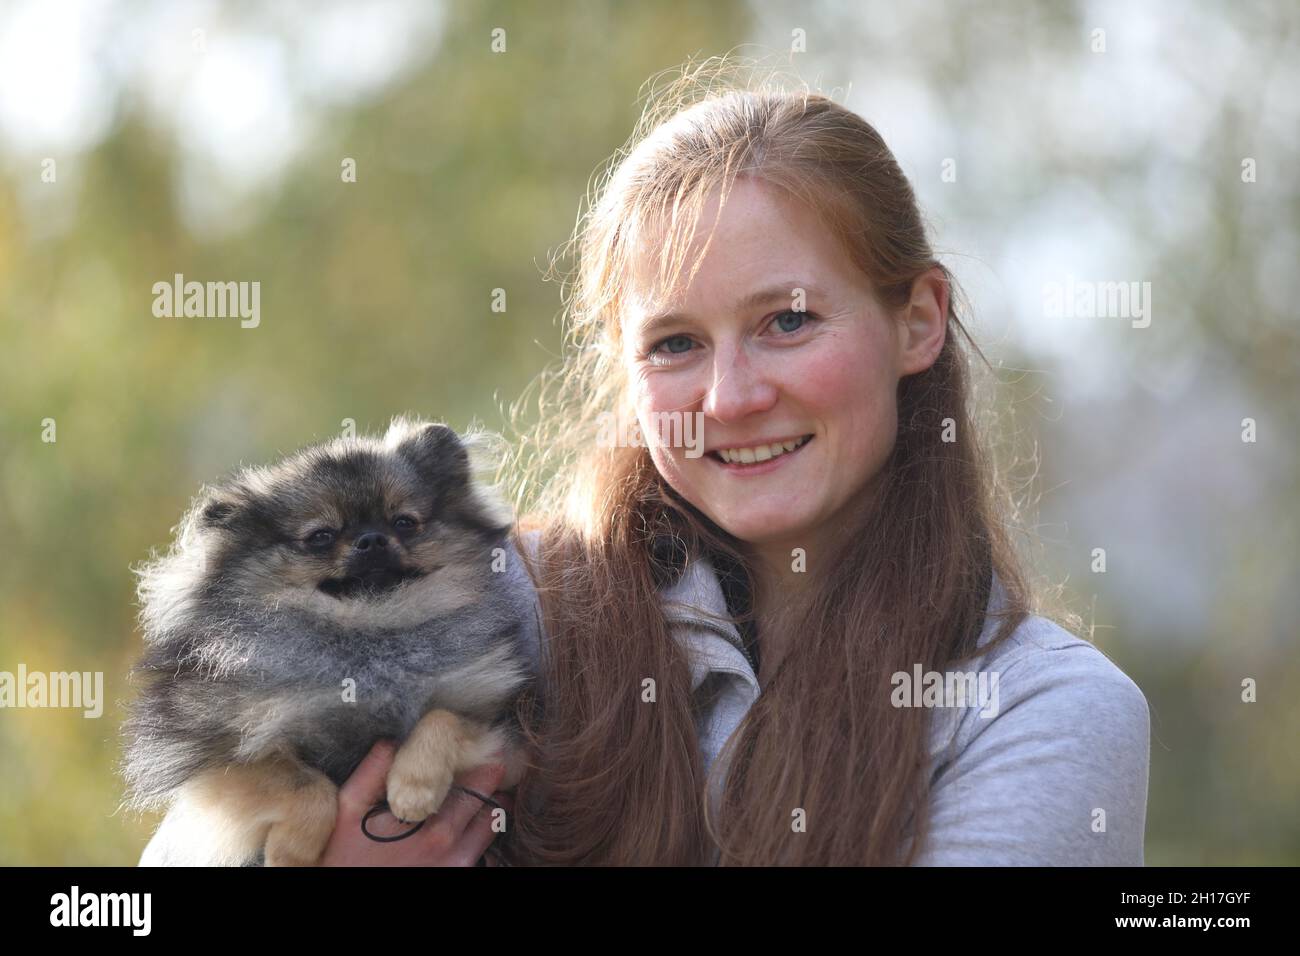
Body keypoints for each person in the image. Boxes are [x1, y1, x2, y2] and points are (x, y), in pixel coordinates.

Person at [153, 62, 1152, 866]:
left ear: (918, 320)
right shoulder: (497, 606)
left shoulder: (1041, 716)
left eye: (788, 320)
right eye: (675, 343)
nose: (730, 396)